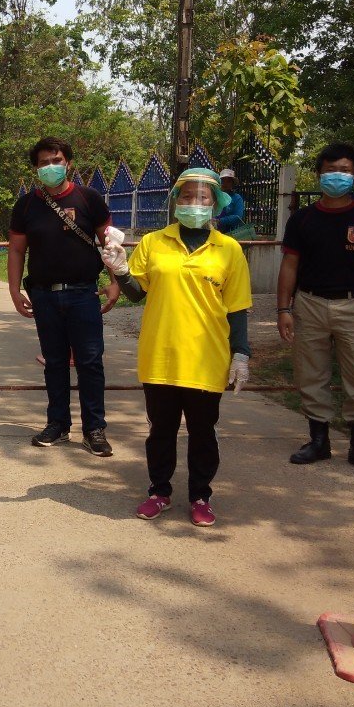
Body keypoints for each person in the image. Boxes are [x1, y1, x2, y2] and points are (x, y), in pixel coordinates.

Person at [102, 167, 252, 527]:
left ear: (215, 204)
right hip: (161, 355)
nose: (194, 203)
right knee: (161, 431)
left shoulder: (229, 250)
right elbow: (137, 294)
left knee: (203, 432)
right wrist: (121, 271)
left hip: (207, 357)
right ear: (175, 201)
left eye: (202, 197)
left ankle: (201, 496)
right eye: (186, 196)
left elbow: (237, 308)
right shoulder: (154, 243)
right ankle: (159, 491)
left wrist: (241, 353)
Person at [277, 142, 354, 475]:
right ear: (319, 174)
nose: (336, 176)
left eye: (344, 170)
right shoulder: (302, 219)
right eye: (330, 170)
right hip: (309, 304)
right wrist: (283, 309)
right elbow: (289, 265)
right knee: (311, 374)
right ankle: (318, 441)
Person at [8, 137, 120, 455]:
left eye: (56, 160)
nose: (50, 167)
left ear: (68, 163)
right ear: (36, 168)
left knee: (90, 362)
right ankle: (57, 425)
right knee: (54, 363)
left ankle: (94, 429)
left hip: (84, 294)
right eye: (43, 163)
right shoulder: (26, 206)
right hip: (43, 296)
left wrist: (115, 282)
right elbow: (16, 251)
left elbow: (109, 244)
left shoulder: (89, 198)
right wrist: (14, 290)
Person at [215, 168, 247, 234]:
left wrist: (219, 221)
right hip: (214, 232)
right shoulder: (215, 197)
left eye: (228, 181)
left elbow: (237, 217)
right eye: (223, 181)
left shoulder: (237, 198)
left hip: (231, 233)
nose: (225, 184)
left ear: (232, 183)